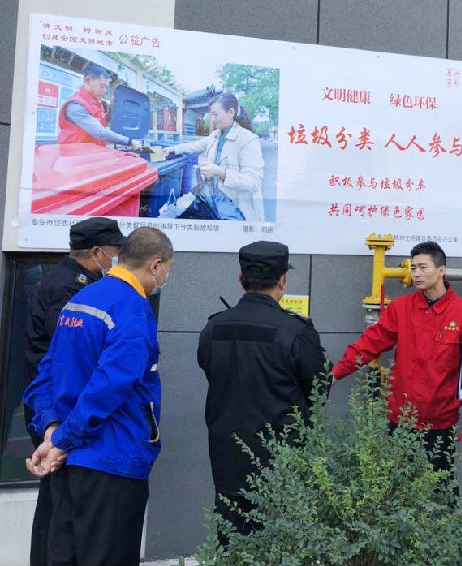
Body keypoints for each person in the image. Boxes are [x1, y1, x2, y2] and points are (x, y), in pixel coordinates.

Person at [23, 227, 174, 566]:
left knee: (64, 557)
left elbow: (44, 375)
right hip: (112, 462)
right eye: (167, 269)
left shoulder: (80, 300)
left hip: (67, 464)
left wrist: (51, 428)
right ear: (155, 265)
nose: (165, 277)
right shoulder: (133, 310)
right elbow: (109, 387)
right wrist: (62, 439)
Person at [198, 241, 328, 535]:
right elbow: (319, 390)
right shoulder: (296, 331)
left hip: (227, 453)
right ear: (283, 280)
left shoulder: (214, 327)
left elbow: (209, 369)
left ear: (240, 278)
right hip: (281, 458)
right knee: (279, 539)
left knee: (230, 533)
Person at [22, 216, 124, 566]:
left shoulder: (64, 278)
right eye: (114, 251)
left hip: (55, 403)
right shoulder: (73, 287)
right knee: (61, 502)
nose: (116, 259)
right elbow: (68, 353)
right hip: (54, 406)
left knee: (58, 499)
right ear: (96, 252)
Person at [332, 241, 462, 475]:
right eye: (413, 268)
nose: (417, 274)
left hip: (440, 420)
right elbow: (369, 344)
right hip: (401, 418)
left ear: (441, 270)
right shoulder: (400, 308)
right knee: (397, 485)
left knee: (440, 486)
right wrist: (336, 373)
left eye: (423, 267)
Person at [164, 92, 264, 221]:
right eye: (211, 115)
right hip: (218, 205)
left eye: (216, 114)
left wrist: (221, 173)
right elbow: (195, 145)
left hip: (239, 212)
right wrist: (173, 149)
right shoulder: (215, 135)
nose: (212, 119)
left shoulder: (248, 140)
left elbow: (253, 182)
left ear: (231, 112)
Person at [57, 64, 141, 149]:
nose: (105, 91)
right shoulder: (76, 106)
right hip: (73, 153)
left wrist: (112, 108)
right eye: (102, 86)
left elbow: (102, 120)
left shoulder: (95, 102)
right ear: (88, 80)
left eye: (106, 87)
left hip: (92, 152)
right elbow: (99, 132)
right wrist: (129, 141)